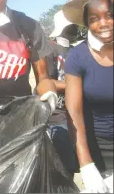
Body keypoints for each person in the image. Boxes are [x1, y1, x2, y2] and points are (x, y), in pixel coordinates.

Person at [63, 0, 113, 192]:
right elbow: (74, 111)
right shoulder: (77, 57)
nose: (103, 23)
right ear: (86, 22)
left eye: (110, 15)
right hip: (100, 146)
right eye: (94, 18)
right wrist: (86, 164)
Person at [46, 10, 80, 176]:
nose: (75, 28)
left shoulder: (75, 49)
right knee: (64, 169)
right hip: (57, 116)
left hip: (76, 113)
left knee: (76, 163)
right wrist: (74, 84)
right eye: (72, 25)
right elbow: (46, 82)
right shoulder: (50, 49)